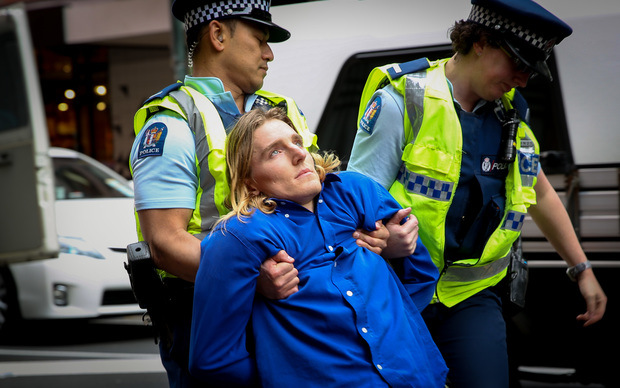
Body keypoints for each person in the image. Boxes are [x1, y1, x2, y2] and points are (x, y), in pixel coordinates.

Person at [129, 1, 412, 386]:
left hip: (296, 311)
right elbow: (164, 242)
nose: (269, 54)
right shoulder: (171, 123)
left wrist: (378, 238)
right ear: (217, 35)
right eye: (260, 40)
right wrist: (245, 278)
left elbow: (325, 201)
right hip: (208, 315)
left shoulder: (282, 111)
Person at [346, 0, 608, 387]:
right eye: (517, 64)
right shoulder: (402, 100)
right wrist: (384, 240)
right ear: (481, 41)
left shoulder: (510, 116)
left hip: (472, 295)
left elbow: (541, 192)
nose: (522, 80)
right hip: (398, 289)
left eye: (529, 71)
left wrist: (581, 269)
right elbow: (354, 205)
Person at [189, 107, 449, 387]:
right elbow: (213, 360)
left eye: (296, 142)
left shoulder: (356, 191)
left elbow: (421, 273)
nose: (299, 154)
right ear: (249, 182)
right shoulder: (240, 236)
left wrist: (400, 329)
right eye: (275, 152)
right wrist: (280, 371)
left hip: (416, 377)